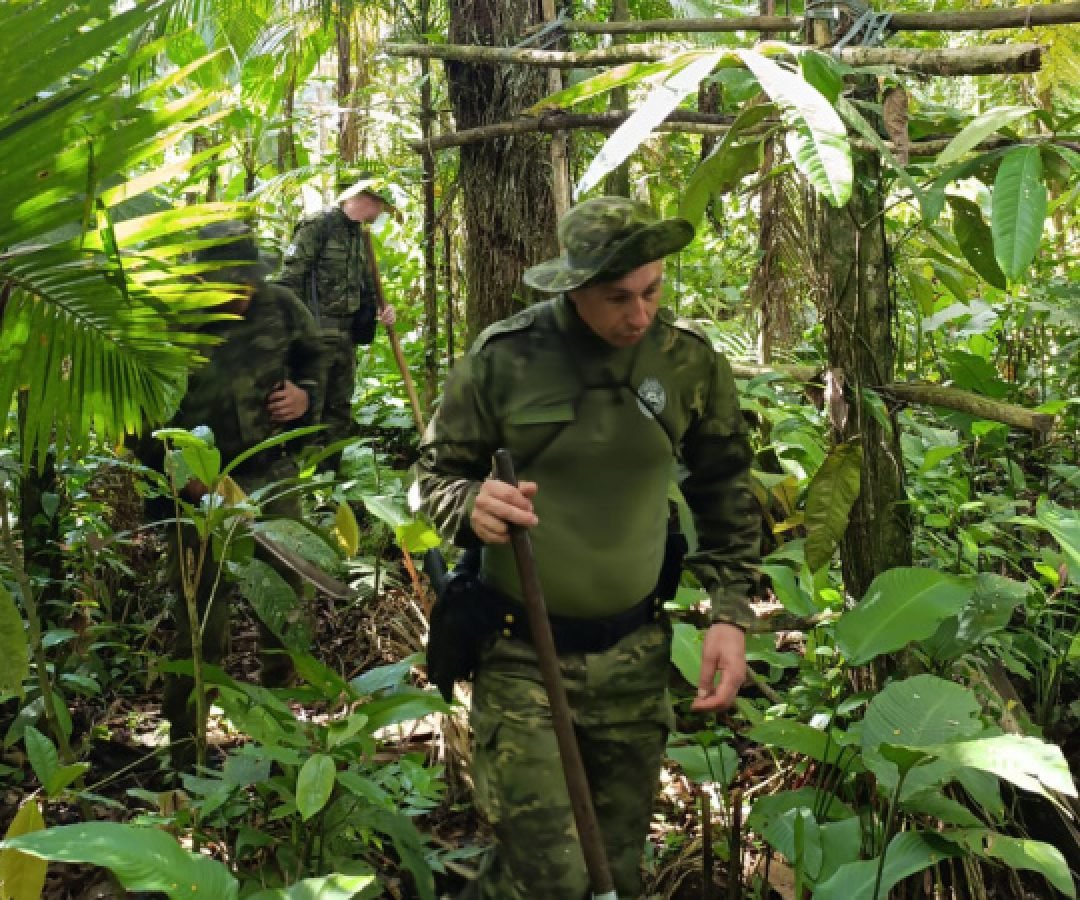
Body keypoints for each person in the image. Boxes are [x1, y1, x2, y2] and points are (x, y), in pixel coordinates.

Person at [413, 195, 762, 899]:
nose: (639, 315)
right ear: (573, 289)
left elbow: (724, 484)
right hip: (521, 653)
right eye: (617, 298)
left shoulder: (685, 361)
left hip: (635, 653)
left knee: (614, 872)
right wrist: (470, 503)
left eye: (652, 291)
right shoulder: (504, 359)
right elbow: (428, 481)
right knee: (552, 878)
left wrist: (729, 613)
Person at [138, 220, 325, 771]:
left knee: (286, 612)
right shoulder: (169, 322)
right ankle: (185, 753)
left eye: (245, 283)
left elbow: (317, 360)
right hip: (191, 495)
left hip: (271, 475)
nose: (239, 295)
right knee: (201, 627)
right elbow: (134, 414)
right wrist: (182, 476)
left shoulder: (283, 307)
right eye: (226, 284)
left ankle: (283, 735)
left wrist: (304, 396)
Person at [277, 174, 397, 472]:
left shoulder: (360, 236)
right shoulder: (318, 226)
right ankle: (295, 483)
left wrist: (382, 310)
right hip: (315, 336)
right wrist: (297, 332)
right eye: (380, 204)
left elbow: (366, 285)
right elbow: (290, 280)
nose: (381, 212)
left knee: (339, 410)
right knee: (308, 409)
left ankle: (328, 485)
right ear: (366, 199)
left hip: (345, 337)